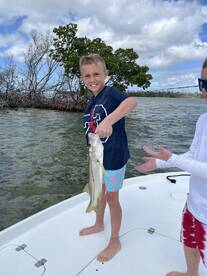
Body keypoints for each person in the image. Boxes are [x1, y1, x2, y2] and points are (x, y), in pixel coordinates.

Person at [135, 57, 207, 276]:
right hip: (194, 204)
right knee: (189, 241)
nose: (204, 92)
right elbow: (194, 155)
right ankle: (191, 274)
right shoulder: (203, 119)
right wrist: (158, 162)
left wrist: (173, 159)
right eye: (203, 84)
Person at [79, 53, 137, 262]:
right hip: (96, 158)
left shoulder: (110, 93)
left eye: (96, 74)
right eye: (87, 76)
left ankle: (114, 240)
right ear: (82, 78)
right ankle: (99, 223)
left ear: (105, 74)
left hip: (113, 158)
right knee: (99, 193)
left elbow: (132, 102)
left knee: (112, 198)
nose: (92, 79)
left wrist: (110, 120)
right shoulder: (90, 103)